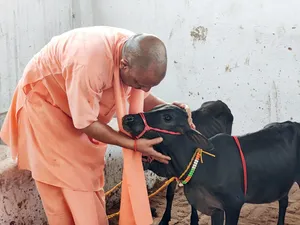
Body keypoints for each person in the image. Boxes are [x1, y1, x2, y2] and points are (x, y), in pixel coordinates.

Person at [0, 26, 195, 225]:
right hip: (46, 107)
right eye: (139, 83)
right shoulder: (89, 64)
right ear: (124, 65)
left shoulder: (134, 53)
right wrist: (133, 145)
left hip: (76, 108)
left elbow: (142, 95)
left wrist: (171, 109)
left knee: (87, 181)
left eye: (150, 85)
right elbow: (85, 123)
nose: (143, 90)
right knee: (65, 182)